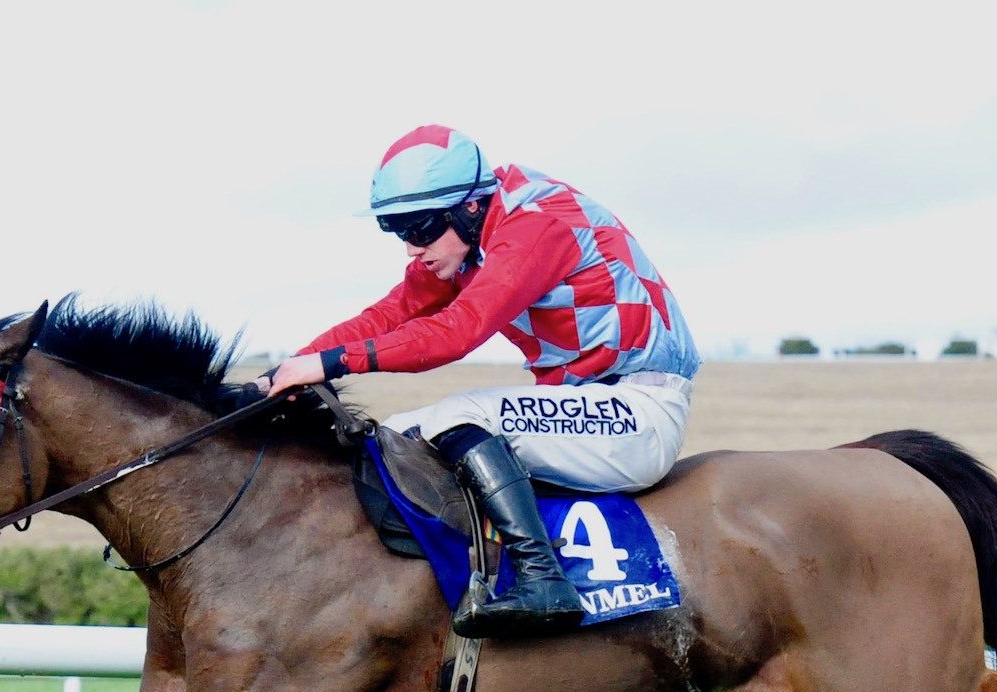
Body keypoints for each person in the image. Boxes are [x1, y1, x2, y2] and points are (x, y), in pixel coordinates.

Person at [255, 125, 701, 639]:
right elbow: (394, 314)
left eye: (420, 229)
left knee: (463, 414)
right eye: (399, 232)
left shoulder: (536, 225)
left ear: (468, 208)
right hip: (581, 410)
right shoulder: (472, 237)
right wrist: (293, 366)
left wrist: (331, 365)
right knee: (398, 437)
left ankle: (543, 582)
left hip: (636, 413)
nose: (410, 249)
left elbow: (454, 333)